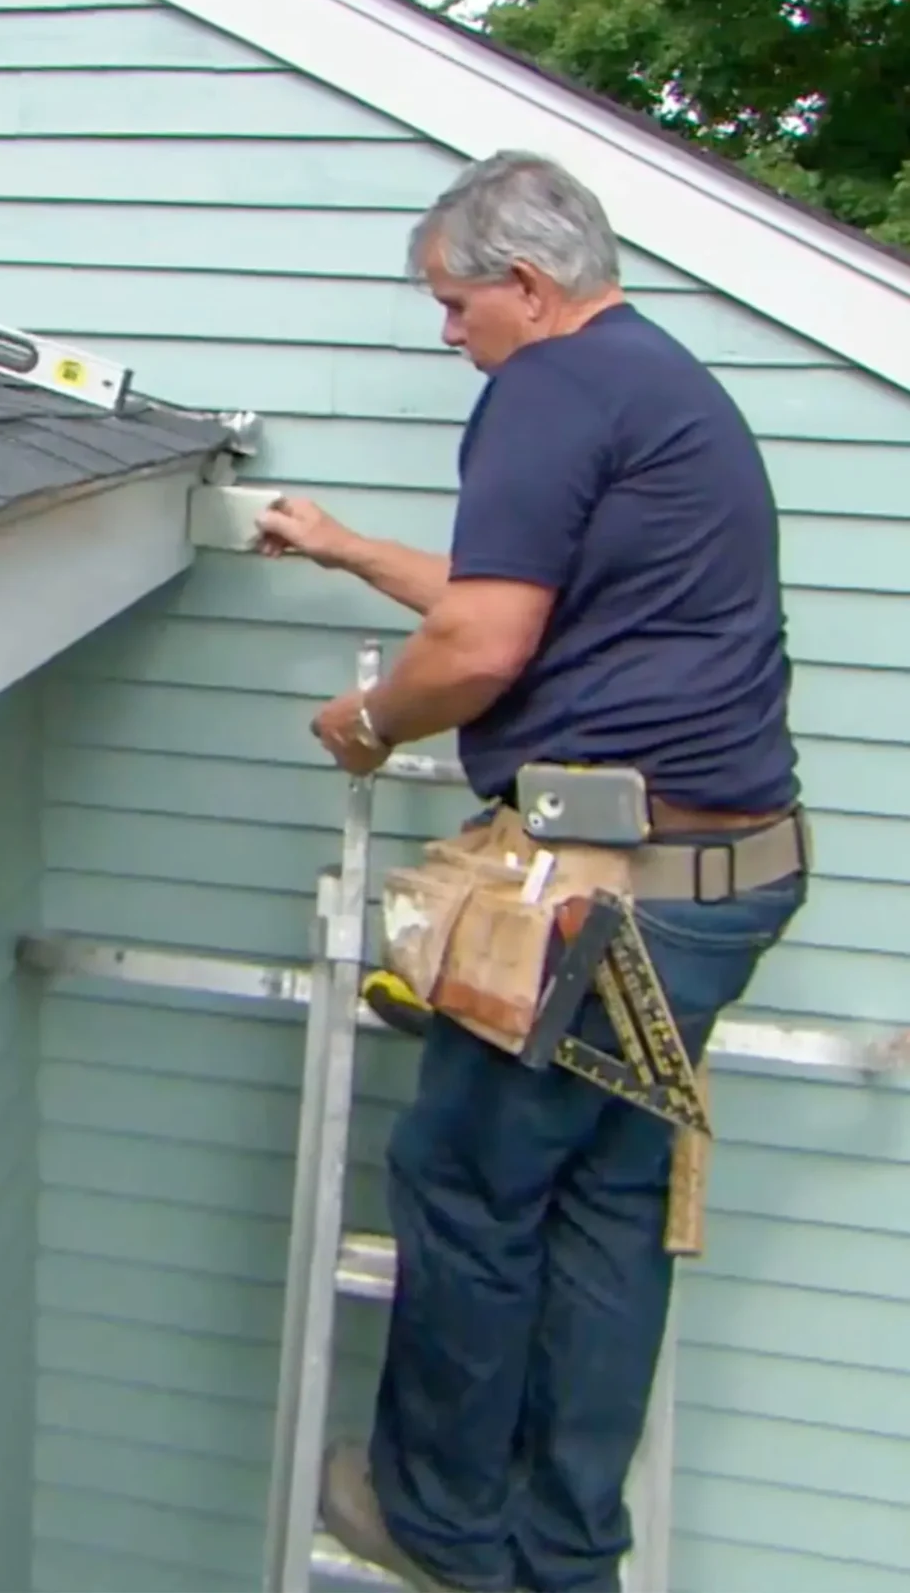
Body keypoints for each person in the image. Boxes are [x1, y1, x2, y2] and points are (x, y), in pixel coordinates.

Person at [256, 151, 809, 1593]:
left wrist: (365, 724)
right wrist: (341, 547)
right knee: (605, 1201)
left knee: (468, 1178)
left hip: (612, 891)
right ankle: (569, 1553)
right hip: (721, 875)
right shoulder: (649, 382)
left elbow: (487, 649)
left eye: (455, 304)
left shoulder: (549, 391)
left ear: (525, 283)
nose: (451, 334)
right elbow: (512, 602)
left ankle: (439, 1521)